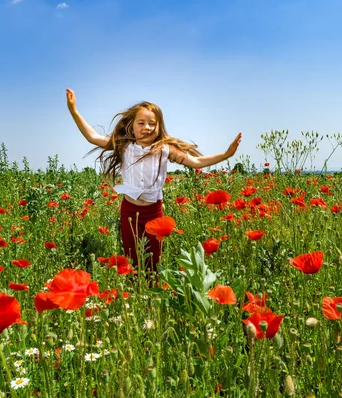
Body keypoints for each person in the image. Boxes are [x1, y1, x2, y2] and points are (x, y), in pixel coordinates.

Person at [66, 88, 241, 277]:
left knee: (153, 259)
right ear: (131, 126)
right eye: (141, 123)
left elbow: (196, 162)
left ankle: (151, 291)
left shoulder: (165, 149)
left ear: (159, 127)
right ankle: (134, 293)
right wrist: (74, 111)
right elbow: (93, 137)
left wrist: (226, 155)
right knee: (132, 258)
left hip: (153, 211)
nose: (147, 127)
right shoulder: (124, 146)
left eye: (152, 124)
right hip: (129, 212)